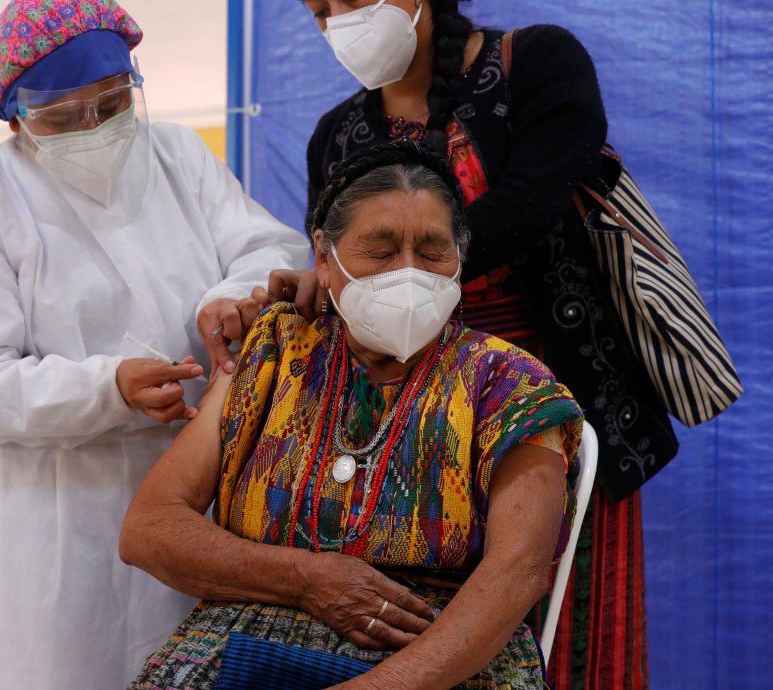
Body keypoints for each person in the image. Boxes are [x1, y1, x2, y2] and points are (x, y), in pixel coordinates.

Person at [267, 2, 680, 685]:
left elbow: (527, 204)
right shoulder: (334, 137)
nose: (339, 19)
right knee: (419, 633)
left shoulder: (537, 65)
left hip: (557, 411)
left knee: (560, 624)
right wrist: (319, 282)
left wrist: (395, 265)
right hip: (408, 437)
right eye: (320, 10)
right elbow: (343, 272)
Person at [0, 2, 309, 688]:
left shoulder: (177, 154)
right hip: (61, 510)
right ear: (15, 119)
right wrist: (106, 387)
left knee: (194, 666)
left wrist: (235, 296)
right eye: (63, 120)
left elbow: (267, 245)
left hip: (199, 481)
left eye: (111, 104)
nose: (94, 131)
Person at [121, 142, 584, 690]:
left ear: (461, 256)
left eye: (433, 251)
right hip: (247, 632)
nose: (408, 274)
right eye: (380, 250)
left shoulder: (509, 383)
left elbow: (519, 571)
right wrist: (304, 579)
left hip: (441, 656)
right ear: (322, 256)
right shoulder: (274, 349)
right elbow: (149, 530)